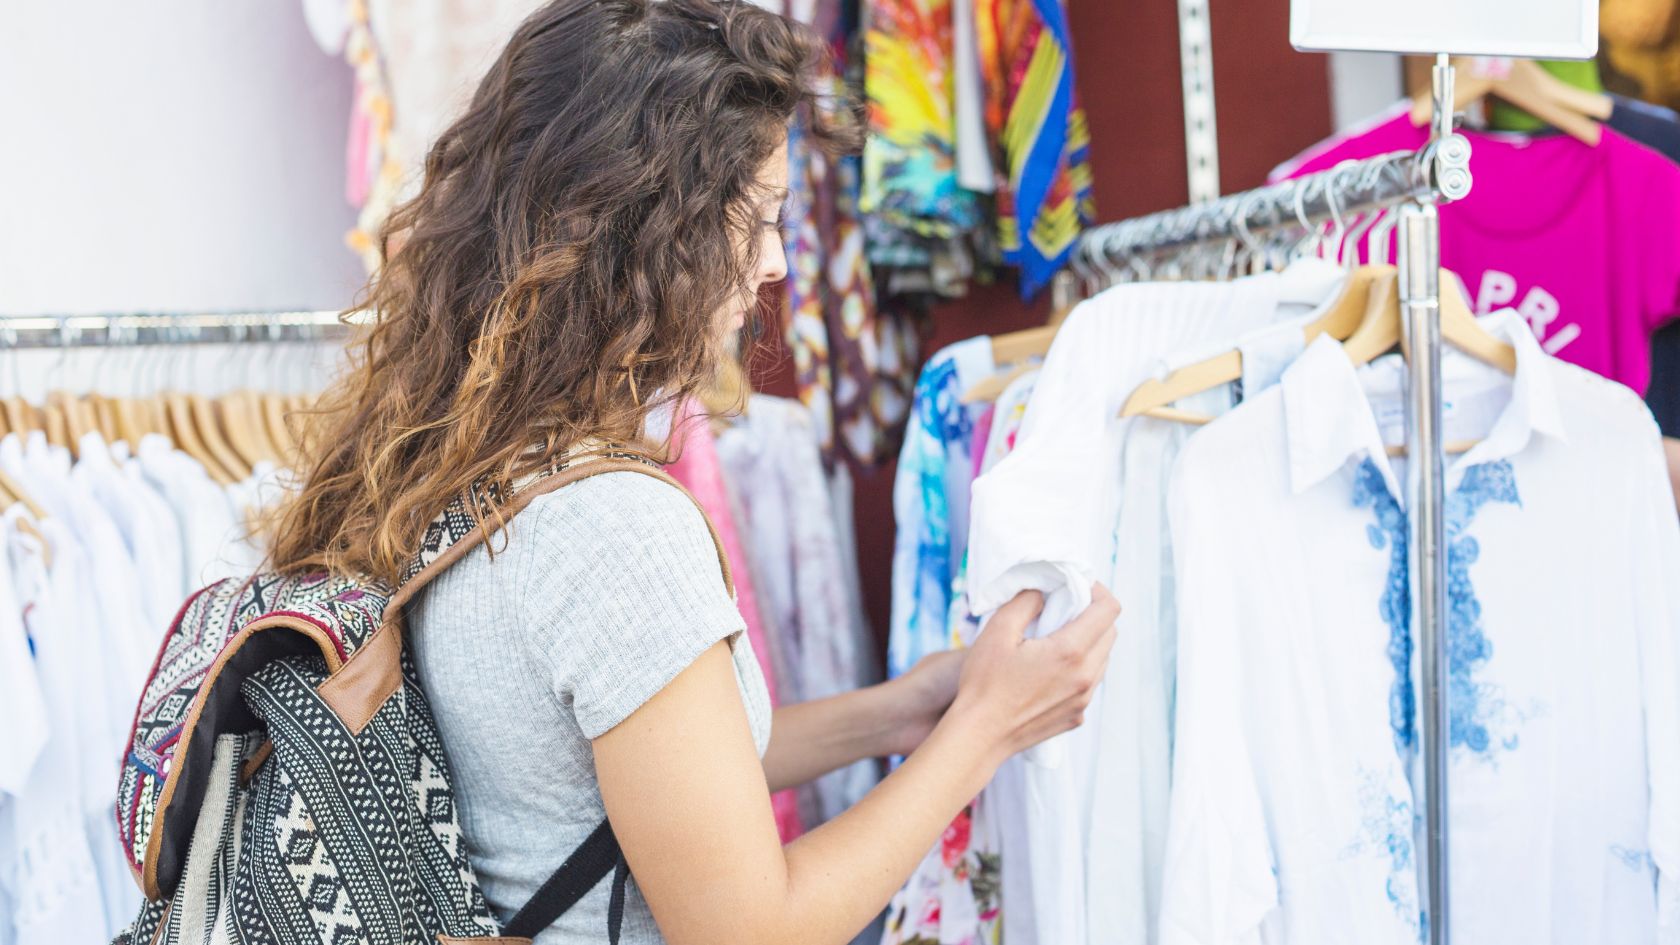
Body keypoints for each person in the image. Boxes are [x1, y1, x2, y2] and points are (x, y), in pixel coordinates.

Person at [263, 1, 1119, 942]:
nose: (775, 263)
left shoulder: (459, 457)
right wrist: (988, 728)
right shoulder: (609, 526)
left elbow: (636, 758)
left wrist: (901, 711)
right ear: (648, 229)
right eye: (755, 221)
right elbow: (754, 928)